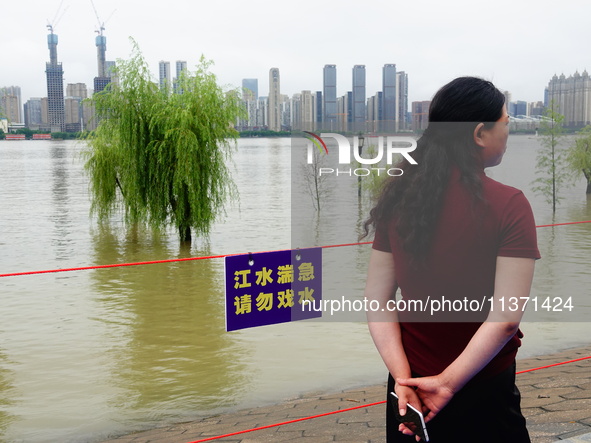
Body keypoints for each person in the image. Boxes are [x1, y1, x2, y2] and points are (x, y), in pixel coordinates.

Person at [362, 77, 540, 442]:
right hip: (481, 386)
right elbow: (505, 320)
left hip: (408, 390)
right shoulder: (510, 205)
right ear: (479, 134)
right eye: (505, 123)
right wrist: (445, 384)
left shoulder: (399, 200)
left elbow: (376, 301)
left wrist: (402, 378)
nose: (508, 132)